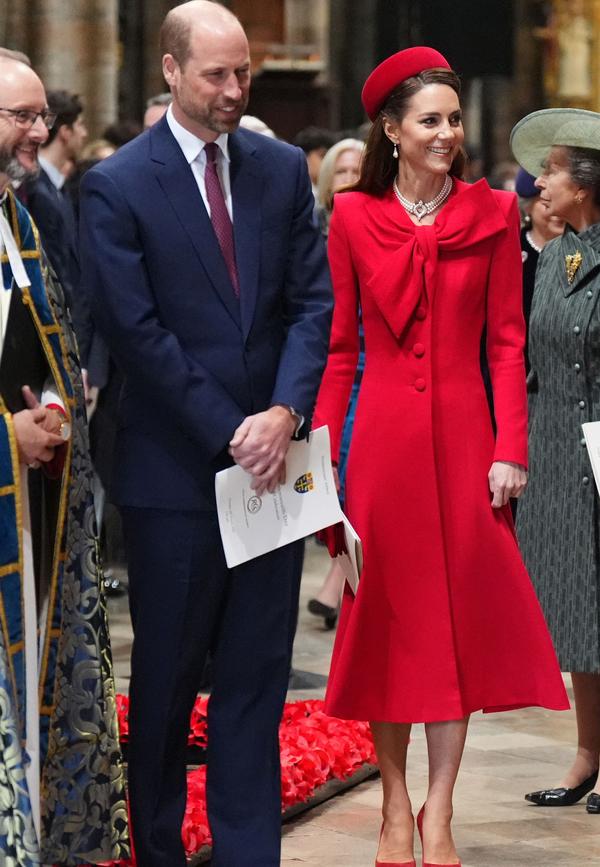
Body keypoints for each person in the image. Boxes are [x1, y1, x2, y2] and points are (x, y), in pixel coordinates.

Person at [78, 2, 332, 865]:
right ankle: (155, 847)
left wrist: (283, 413)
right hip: (175, 476)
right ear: (172, 70)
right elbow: (138, 334)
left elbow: (312, 305)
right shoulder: (117, 185)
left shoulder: (278, 170)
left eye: (243, 73)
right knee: (168, 680)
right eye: (217, 74)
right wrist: (232, 428)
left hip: (271, 471)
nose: (234, 90)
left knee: (257, 677)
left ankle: (250, 851)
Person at [313, 47, 568, 867]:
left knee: (453, 634)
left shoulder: (493, 213)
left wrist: (511, 448)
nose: (447, 134)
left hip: (467, 444)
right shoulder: (351, 218)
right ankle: (393, 806)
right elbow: (342, 348)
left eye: (454, 120)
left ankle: (441, 808)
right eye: (430, 120)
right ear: (391, 129)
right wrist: (319, 458)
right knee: (389, 630)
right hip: (380, 446)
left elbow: (505, 342)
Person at [0, 49, 128, 864]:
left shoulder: (16, 217)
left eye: (43, 115)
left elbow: (40, 347)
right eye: (22, 115)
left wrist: (49, 408)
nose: (41, 132)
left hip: (28, 517)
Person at [510, 108, 600, 813]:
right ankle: (585, 749)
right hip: (557, 464)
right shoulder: (556, 263)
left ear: (587, 184)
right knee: (573, 608)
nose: (541, 179)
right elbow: (535, 369)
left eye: (556, 168)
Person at [308, 137, 364, 629]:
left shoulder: (370, 224)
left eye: (357, 171)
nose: (349, 179)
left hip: (370, 360)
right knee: (336, 475)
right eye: (340, 172)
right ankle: (342, 578)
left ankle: (340, 582)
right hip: (332, 365)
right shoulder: (314, 231)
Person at [22, 89, 87, 313]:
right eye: (80, 125)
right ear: (66, 132)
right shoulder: (38, 191)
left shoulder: (58, 187)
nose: (85, 134)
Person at [515, 167, 564, 372]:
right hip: (522, 367)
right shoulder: (512, 250)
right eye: (545, 204)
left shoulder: (583, 250)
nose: (556, 213)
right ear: (528, 208)